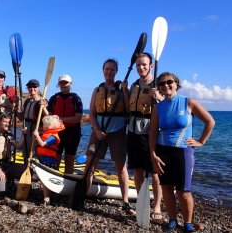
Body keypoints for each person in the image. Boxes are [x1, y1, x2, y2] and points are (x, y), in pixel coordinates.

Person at [149, 72, 215, 233]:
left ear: (176, 84)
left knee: (183, 191)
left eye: (169, 82)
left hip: (183, 153)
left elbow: (210, 121)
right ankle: (172, 219)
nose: (166, 85)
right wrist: (153, 154)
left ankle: (187, 223)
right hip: (163, 151)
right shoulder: (158, 107)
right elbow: (152, 132)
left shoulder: (188, 102)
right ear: (159, 88)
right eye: (162, 84)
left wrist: (201, 141)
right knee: (166, 188)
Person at [85, 59, 134, 214]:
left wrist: (125, 91)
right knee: (89, 165)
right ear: (103, 70)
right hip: (99, 132)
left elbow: (128, 109)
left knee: (121, 167)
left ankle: (125, 201)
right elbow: (91, 113)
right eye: (107, 69)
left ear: (116, 71)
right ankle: (84, 194)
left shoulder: (122, 89)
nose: (109, 72)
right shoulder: (97, 90)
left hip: (117, 132)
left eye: (112, 69)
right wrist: (97, 130)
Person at [127, 52, 164, 220]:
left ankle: (156, 207)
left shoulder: (158, 84)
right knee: (138, 171)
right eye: (138, 65)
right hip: (133, 132)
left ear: (151, 66)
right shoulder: (134, 85)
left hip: (150, 133)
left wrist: (160, 98)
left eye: (144, 64)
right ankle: (141, 203)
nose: (141, 68)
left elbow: (168, 105)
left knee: (154, 172)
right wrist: (124, 92)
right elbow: (129, 107)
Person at [0, 113, 27, 198]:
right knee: (1, 192)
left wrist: (23, 136)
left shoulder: (9, 134)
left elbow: (18, 146)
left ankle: (8, 178)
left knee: (28, 171)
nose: (7, 124)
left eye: (9, 122)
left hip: (7, 164)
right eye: (5, 121)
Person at [47, 74, 83, 174]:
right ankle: (54, 180)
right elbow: (49, 116)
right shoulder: (54, 98)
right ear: (59, 84)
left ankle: (68, 181)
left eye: (66, 83)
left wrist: (60, 119)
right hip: (58, 133)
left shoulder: (76, 99)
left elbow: (78, 118)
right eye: (61, 83)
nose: (63, 85)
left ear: (70, 84)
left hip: (72, 133)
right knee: (55, 159)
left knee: (69, 160)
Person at [33, 115, 65, 205]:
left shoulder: (53, 137)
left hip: (49, 161)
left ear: (48, 126)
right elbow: (38, 143)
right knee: (43, 180)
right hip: (43, 159)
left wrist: (37, 136)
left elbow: (42, 144)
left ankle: (47, 197)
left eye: (44, 125)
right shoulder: (45, 134)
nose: (42, 126)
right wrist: (35, 137)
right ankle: (45, 194)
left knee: (46, 179)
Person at [18, 79, 48, 160]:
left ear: (38, 88)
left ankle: (34, 170)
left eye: (34, 87)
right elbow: (21, 117)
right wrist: (15, 107)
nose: (32, 89)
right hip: (26, 130)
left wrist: (44, 107)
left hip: (36, 130)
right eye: (30, 87)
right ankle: (26, 169)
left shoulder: (43, 101)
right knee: (26, 152)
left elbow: (48, 118)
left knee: (35, 153)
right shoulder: (27, 101)